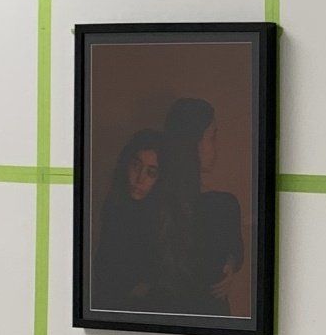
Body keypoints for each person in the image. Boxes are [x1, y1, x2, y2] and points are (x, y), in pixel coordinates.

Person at [154, 97, 244, 317]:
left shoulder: (152, 200)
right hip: (208, 320)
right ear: (195, 142)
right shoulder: (222, 205)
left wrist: (231, 262)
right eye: (212, 136)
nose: (216, 146)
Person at [91, 129, 166, 310]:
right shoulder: (115, 205)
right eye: (136, 166)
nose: (140, 178)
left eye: (151, 172)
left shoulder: (163, 216)